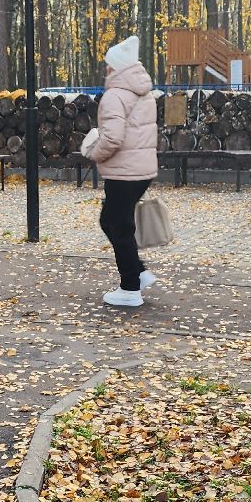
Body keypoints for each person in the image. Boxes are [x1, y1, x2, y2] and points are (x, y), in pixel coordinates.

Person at [84, 35, 160, 307]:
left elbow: (113, 138)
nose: (106, 69)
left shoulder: (115, 95)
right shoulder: (144, 92)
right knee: (114, 221)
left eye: (108, 64)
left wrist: (92, 152)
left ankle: (130, 288)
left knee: (117, 225)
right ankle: (137, 273)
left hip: (123, 172)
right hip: (141, 171)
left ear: (115, 67)